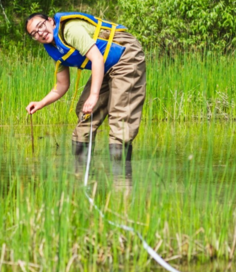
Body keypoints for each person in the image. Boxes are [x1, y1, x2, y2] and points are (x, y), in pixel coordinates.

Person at [25, 11, 146, 172]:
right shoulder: (53, 48)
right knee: (85, 113)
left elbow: (96, 58)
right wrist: (41, 103)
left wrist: (94, 95)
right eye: (34, 34)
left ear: (50, 21)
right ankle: (82, 177)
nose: (40, 33)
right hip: (106, 65)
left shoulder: (69, 30)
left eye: (40, 26)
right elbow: (62, 85)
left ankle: (121, 182)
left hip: (126, 56)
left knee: (120, 115)